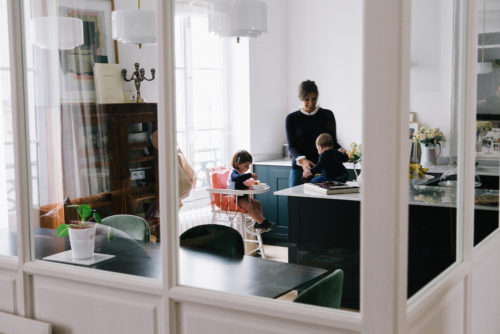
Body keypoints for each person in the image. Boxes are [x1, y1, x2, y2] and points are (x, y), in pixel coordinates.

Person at [286, 80, 345, 187]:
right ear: (300, 99)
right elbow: (291, 146)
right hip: (300, 171)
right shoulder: (292, 118)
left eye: (314, 99)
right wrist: (302, 161)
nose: (311, 103)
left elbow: (333, 143)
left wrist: (340, 150)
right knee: (296, 202)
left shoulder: (327, 115)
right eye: (306, 99)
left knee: (320, 204)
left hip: (325, 171)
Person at [227, 150, 275, 230]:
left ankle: (258, 223)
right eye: (246, 166)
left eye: (249, 166)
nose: (248, 168)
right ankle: (264, 222)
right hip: (236, 198)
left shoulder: (241, 173)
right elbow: (236, 179)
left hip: (243, 197)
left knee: (258, 204)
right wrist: (249, 175)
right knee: (250, 207)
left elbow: (243, 184)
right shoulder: (234, 173)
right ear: (237, 163)